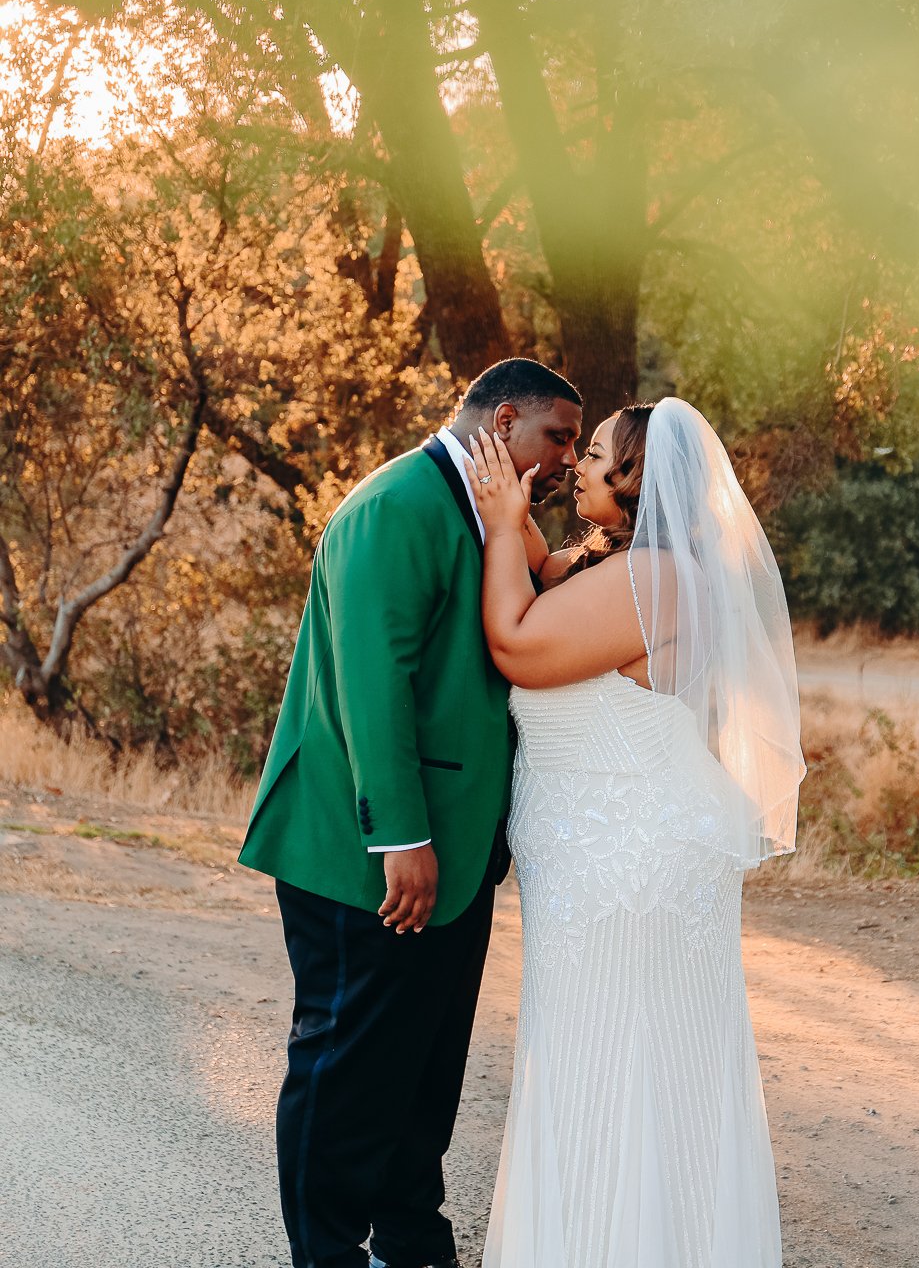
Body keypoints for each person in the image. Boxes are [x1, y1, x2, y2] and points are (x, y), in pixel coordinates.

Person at [238, 358, 583, 1268]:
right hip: (368, 851)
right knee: (346, 1065)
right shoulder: (395, 506)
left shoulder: (490, 514)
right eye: (559, 439)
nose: (565, 461)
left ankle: (412, 1241)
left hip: (459, 854)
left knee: (422, 1069)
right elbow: (371, 682)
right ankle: (324, 1252)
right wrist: (402, 836)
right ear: (504, 420)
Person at [464, 397, 806, 1268]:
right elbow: (544, 580)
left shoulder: (658, 577)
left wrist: (506, 525)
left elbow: (515, 643)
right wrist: (515, 512)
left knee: (617, 1065)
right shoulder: (612, 565)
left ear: (636, 479)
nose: (576, 464)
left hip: (630, 865)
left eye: (595, 453)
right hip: (598, 859)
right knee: (593, 1064)